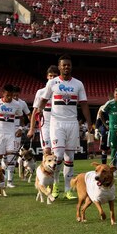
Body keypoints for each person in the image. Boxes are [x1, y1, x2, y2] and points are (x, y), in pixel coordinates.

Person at [36, 55, 91, 199]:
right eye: (63, 65)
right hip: (57, 123)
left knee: (70, 158)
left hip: (72, 123)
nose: (66, 67)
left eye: (68, 65)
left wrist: (89, 122)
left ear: (71, 67)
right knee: (58, 156)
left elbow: (84, 104)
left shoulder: (78, 84)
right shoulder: (52, 83)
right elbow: (43, 100)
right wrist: (39, 110)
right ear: (59, 67)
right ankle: (55, 185)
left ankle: (68, 190)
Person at [0, 84, 25, 188]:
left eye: (11, 95)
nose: (9, 97)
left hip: (11, 135)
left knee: (11, 158)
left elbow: (22, 118)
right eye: (7, 95)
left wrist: (20, 128)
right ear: (3, 93)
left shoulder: (17, 105)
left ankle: (10, 181)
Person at [28, 65, 60, 156]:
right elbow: (35, 111)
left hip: (57, 125)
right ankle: (45, 170)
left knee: (57, 153)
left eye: (54, 76)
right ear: (47, 76)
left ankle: (56, 170)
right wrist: (31, 129)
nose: (52, 78)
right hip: (45, 125)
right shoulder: (40, 92)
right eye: (50, 76)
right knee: (46, 152)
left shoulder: (61, 92)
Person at [99, 88, 117, 169]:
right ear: (114, 95)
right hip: (113, 130)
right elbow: (101, 113)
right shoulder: (110, 103)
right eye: (116, 94)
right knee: (114, 149)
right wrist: (105, 124)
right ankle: (113, 166)